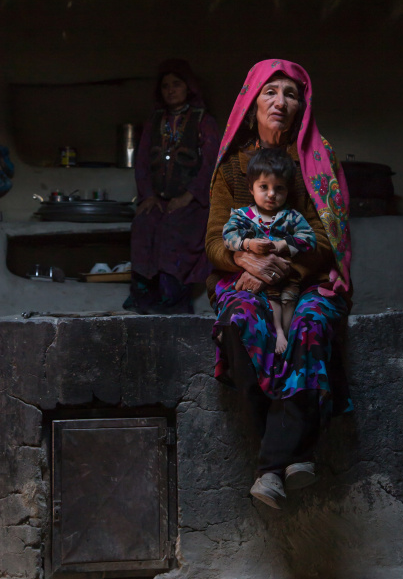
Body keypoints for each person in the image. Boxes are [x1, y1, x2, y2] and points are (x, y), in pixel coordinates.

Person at [206, 59, 352, 510]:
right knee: (243, 322)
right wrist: (241, 259)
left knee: (310, 326)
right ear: (252, 105)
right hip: (243, 280)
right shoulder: (233, 167)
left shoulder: (316, 161)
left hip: (303, 280)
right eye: (270, 92)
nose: (280, 102)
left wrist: (280, 270)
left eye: (291, 93)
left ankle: (271, 467)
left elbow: (327, 240)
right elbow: (213, 240)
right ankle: (295, 457)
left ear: (300, 107)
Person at [124, 59, 220, 314]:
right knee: (144, 223)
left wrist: (188, 196)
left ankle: (173, 301)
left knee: (173, 229)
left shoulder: (204, 121)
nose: (170, 90)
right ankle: (143, 300)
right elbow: (142, 162)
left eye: (176, 84)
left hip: (193, 201)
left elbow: (211, 163)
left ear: (188, 87)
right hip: (159, 198)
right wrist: (147, 196)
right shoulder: (154, 121)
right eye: (165, 85)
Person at [222, 147, 316, 354]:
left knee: (290, 296)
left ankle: (288, 334)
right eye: (264, 187)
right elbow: (227, 237)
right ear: (251, 188)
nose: (271, 194)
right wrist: (248, 245)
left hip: (287, 274)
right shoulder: (242, 216)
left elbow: (309, 238)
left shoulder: (291, 217)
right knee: (266, 299)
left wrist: (284, 245)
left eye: (279, 188)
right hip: (256, 276)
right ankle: (277, 333)